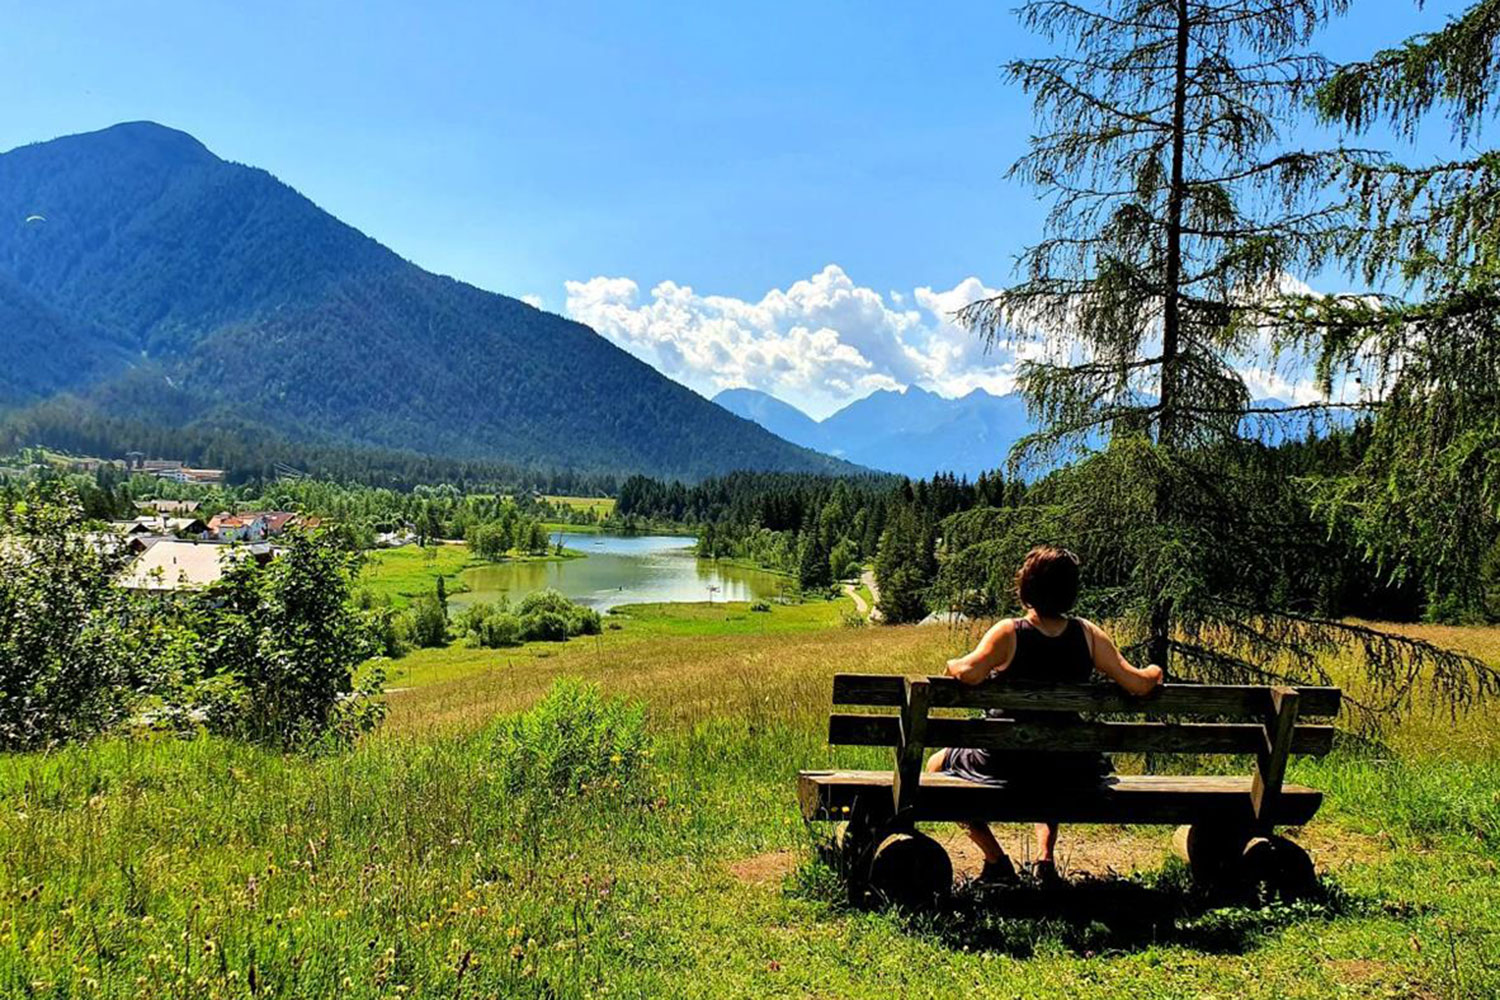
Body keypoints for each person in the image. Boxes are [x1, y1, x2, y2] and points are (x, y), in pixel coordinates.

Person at [924, 545, 1164, 887]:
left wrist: (953, 664)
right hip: (1069, 766)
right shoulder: (1089, 635)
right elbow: (1137, 684)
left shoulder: (1010, 632)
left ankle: (995, 859)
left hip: (1005, 762)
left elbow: (968, 673)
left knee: (936, 765)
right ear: (1071, 591)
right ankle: (1044, 860)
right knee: (1052, 761)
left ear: (1027, 588)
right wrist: (1154, 671)